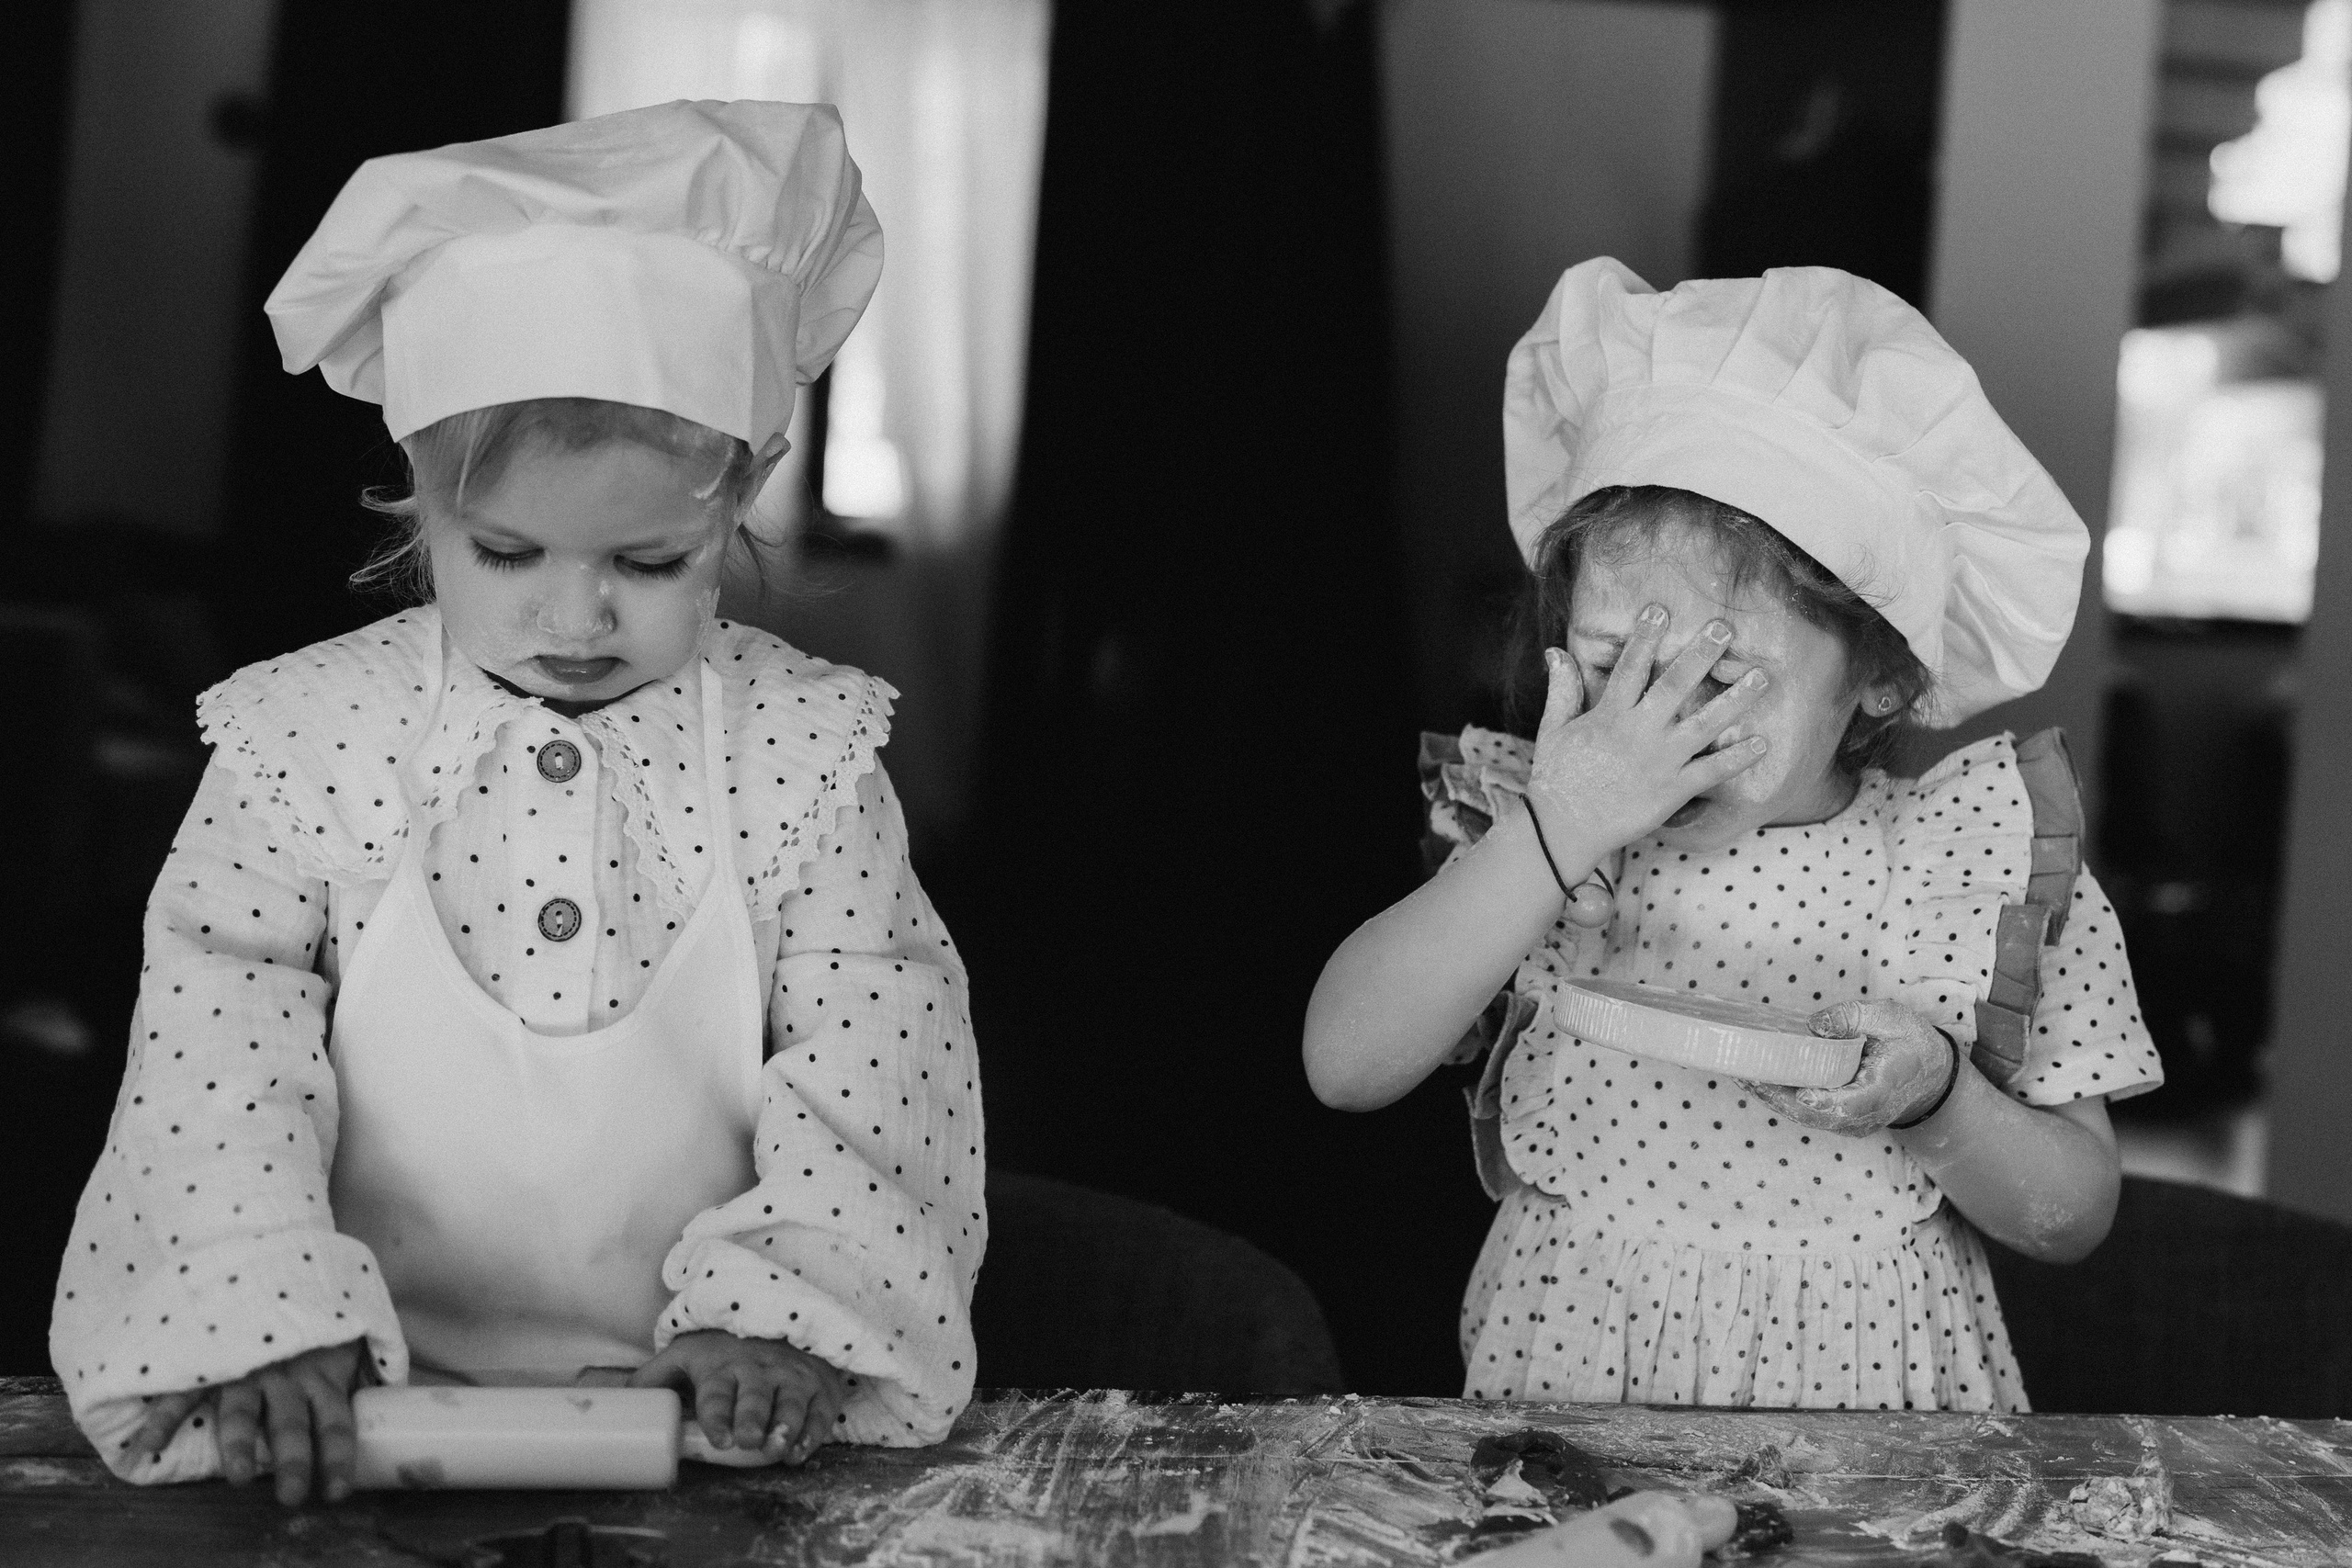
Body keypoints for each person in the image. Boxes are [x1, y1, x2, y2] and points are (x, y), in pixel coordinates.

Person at [51, 100, 985, 1504]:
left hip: (703, 1415)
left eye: (654, 560)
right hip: (340, 1398)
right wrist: (264, 1315)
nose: (575, 613)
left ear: (745, 494)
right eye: (505, 549)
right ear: (418, 495)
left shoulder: (801, 748)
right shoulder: (308, 736)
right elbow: (213, 1052)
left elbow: (878, 1057)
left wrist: (780, 1311)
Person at [1304, 258, 2161, 1412]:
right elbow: (1346, 1065)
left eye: (1732, 676)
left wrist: (1938, 1099)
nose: (1668, 721)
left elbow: (2073, 1215)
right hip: (1572, 1402)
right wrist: (1556, 827)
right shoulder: (1536, 835)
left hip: (1875, 1424)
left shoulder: (1980, 862)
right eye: (1616, 665)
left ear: (1881, 682)